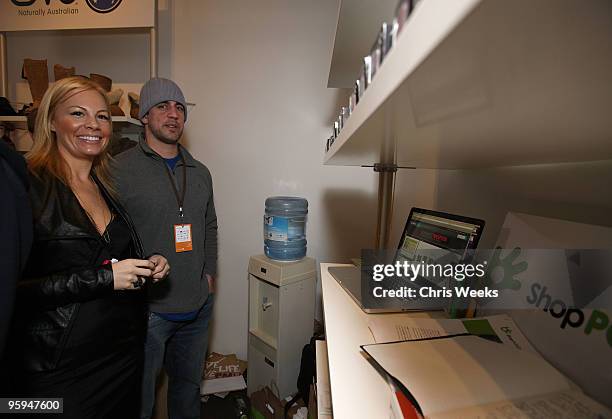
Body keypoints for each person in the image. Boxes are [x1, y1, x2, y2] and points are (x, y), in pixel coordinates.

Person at [5, 76, 170, 418]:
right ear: (51, 120)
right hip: (55, 368)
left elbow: (105, 256)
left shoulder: (104, 184)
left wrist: (145, 264)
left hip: (120, 358)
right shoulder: (25, 185)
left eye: (103, 116)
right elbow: (13, 292)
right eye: (78, 114)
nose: (93, 125)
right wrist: (104, 278)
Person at [114, 78, 217, 419]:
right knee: (139, 399)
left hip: (197, 307)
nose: (173, 115)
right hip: (149, 311)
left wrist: (209, 274)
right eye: (162, 106)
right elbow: (107, 234)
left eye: (179, 108)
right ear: (144, 116)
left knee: (187, 392)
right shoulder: (118, 169)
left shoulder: (199, 171)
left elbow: (210, 225)